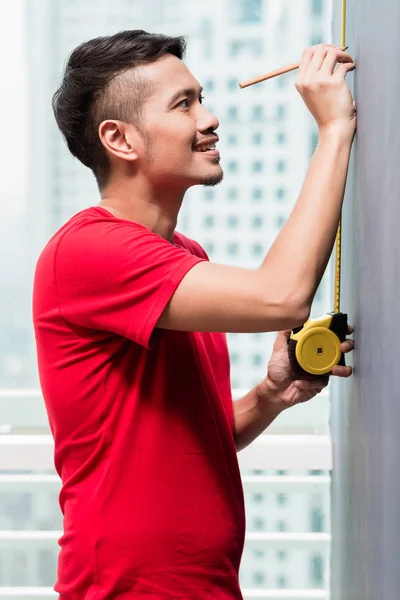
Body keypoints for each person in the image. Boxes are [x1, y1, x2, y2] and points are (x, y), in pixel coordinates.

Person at [32, 29, 355, 600]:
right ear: (120, 139)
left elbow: (192, 440)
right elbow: (282, 297)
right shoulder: (88, 252)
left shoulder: (184, 258)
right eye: (185, 104)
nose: (210, 119)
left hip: (200, 586)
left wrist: (270, 395)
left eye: (201, 98)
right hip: (126, 590)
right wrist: (333, 129)